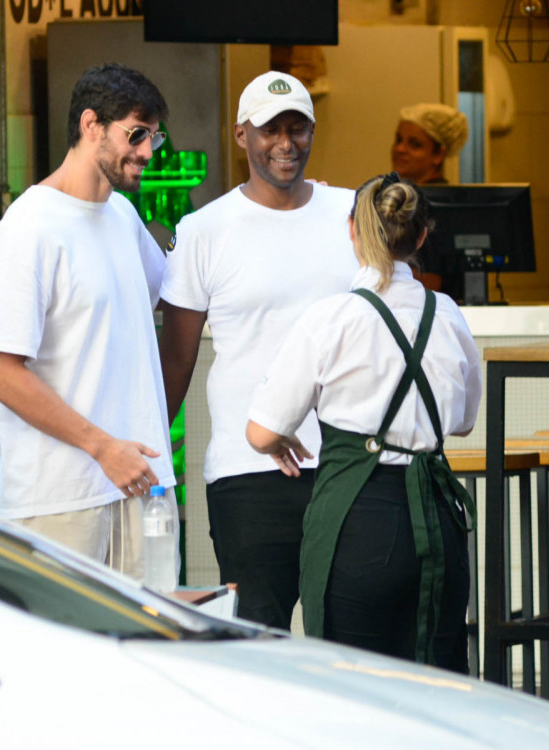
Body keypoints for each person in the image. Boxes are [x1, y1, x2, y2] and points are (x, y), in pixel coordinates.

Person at [246, 173, 481, 670]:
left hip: (357, 522)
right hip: (437, 525)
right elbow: (462, 422)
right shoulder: (449, 315)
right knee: (438, 690)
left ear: (353, 231)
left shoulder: (330, 318)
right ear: (420, 236)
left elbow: (261, 431)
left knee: (353, 690)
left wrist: (280, 439)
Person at [158, 72, 358, 629]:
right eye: (271, 130)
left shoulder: (352, 216)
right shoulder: (204, 230)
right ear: (241, 135)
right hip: (246, 472)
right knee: (257, 636)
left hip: (346, 464)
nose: (285, 143)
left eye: (297, 128)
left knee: (347, 635)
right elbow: (176, 357)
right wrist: (150, 450)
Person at [0, 63, 177, 579]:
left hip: (141, 488)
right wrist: (102, 447)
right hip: (59, 499)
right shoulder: (28, 229)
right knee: (59, 658)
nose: (148, 152)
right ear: (91, 125)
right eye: (136, 134)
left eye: (154, 137)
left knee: (150, 655)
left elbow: (174, 292)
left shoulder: (124, 218)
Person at [390, 103, 469, 185]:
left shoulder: (439, 197)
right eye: (399, 140)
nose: (399, 149)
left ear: (439, 155)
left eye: (415, 144)